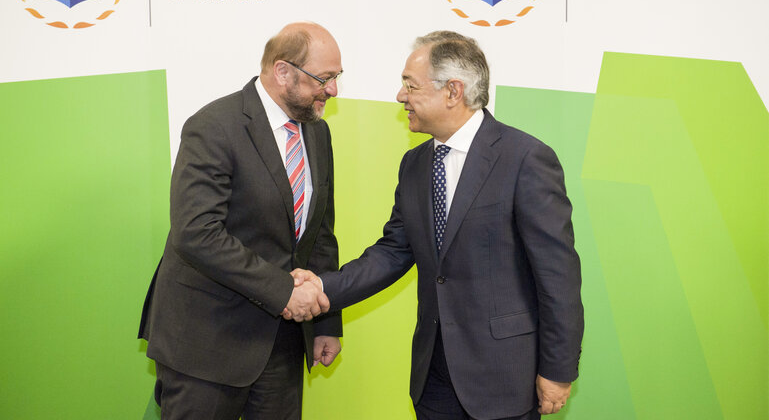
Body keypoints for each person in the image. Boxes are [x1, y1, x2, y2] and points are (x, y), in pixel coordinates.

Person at [290, 31, 584, 419]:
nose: (400, 96)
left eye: (410, 85)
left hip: (503, 379)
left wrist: (558, 371)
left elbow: (558, 276)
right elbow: (394, 251)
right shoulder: (415, 165)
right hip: (434, 377)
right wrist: (323, 287)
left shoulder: (525, 158)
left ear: (453, 91)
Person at [138, 21, 344, 420]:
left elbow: (319, 235)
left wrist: (325, 320)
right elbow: (197, 233)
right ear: (282, 71)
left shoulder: (318, 134)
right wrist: (284, 291)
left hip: (282, 344)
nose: (333, 90)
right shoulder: (214, 125)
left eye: (337, 77)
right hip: (206, 343)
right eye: (325, 78)